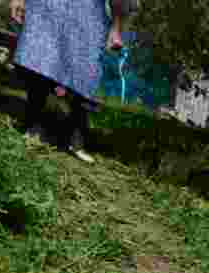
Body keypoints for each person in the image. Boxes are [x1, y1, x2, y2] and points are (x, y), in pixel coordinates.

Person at [9, 0, 127, 162]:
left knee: (86, 69)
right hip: (49, 6)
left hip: (90, 13)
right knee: (38, 55)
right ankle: (34, 124)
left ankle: (75, 137)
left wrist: (116, 28)